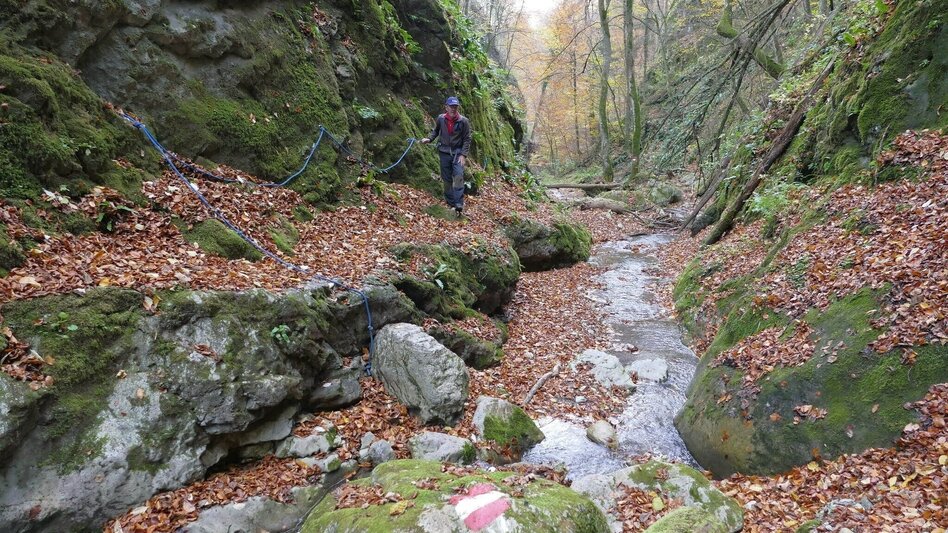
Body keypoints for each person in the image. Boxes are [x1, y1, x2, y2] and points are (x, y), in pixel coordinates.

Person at [421, 96, 473, 218]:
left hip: (457, 154)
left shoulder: (463, 121)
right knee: (446, 179)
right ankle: (451, 203)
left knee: (459, 176)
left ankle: (459, 203)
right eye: (451, 106)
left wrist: (463, 155)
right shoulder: (441, 119)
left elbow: (467, 139)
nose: (453, 109)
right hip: (444, 152)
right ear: (446, 107)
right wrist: (429, 139)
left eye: (455, 107)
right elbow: (436, 131)